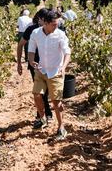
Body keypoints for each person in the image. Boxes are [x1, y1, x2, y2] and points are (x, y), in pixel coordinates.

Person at [28, 10, 71, 141]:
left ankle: (61, 127)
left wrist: (63, 67)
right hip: (41, 70)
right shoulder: (35, 33)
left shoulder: (60, 35)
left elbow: (67, 52)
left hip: (56, 72)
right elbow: (31, 50)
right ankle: (42, 119)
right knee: (37, 95)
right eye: (53, 24)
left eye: (57, 23)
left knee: (56, 102)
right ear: (45, 23)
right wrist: (31, 61)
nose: (56, 26)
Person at [16, 8, 53, 127]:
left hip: (49, 63)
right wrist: (19, 63)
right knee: (40, 91)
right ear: (41, 19)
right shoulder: (31, 30)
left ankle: (43, 114)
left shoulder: (50, 29)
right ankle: (44, 115)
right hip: (35, 64)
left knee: (45, 90)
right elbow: (20, 44)